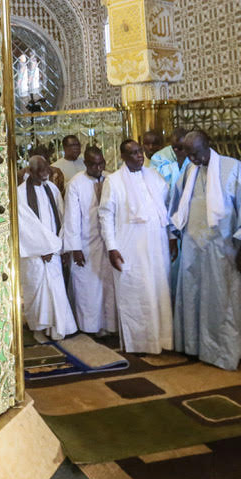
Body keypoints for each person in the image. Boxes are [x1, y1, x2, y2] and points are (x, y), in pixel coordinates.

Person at [168, 131, 241, 370]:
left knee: (224, 302)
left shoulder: (234, 169)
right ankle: (196, 347)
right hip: (194, 250)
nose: (192, 159)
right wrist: (173, 237)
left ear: (208, 146)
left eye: (196, 154)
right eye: (188, 155)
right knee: (194, 298)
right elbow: (176, 206)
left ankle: (224, 351)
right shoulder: (189, 172)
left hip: (225, 251)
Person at [98, 139, 174, 353]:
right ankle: (141, 343)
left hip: (157, 246)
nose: (139, 156)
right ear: (123, 157)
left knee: (159, 290)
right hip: (129, 248)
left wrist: (171, 238)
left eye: (139, 151)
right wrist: (112, 248)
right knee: (137, 293)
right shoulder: (113, 181)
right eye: (132, 153)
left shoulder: (154, 176)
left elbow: (164, 211)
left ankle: (164, 340)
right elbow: (105, 215)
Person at [17, 155, 77, 341]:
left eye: (47, 171)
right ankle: (38, 329)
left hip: (54, 250)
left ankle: (57, 328)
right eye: (41, 172)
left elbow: (61, 215)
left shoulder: (52, 188)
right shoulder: (20, 193)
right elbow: (25, 226)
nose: (45, 175)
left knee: (57, 289)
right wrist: (43, 248)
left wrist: (58, 246)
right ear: (31, 172)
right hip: (35, 254)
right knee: (36, 289)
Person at [62, 147, 116, 335]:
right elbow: (71, 218)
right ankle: (89, 327)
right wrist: (75, 248)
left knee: (108, 286)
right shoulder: (76, 184)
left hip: (107, 244)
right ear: (85, 164)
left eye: (101, 163)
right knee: (88, 288)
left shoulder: (110, 179)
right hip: (85, 244)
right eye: (93, 164)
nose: (98, 167)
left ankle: (109, 326)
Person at [151, 127, 188, 192]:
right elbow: (153, 178)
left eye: (180, 147)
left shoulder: (193, 154)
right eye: (173, 147)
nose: (176, 150)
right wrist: (177, 164)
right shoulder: (158, 156)